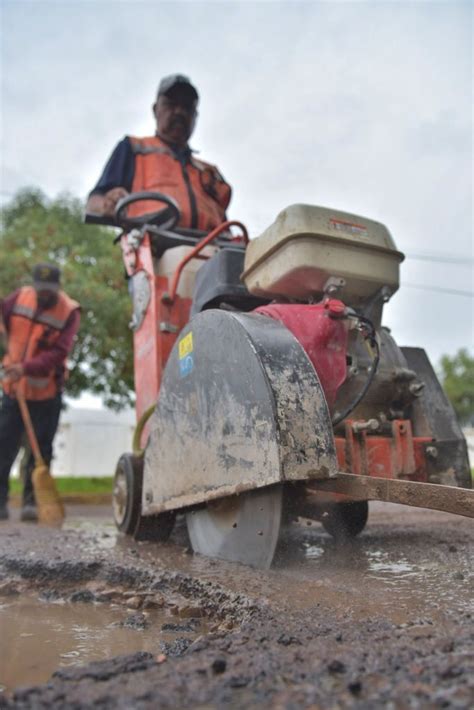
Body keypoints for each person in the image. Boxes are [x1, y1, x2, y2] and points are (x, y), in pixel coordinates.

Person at [86, 74, 232, 231]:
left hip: (214, 247)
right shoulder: (134, 148)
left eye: (187, 107)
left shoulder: (210, 173)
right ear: (156, 110)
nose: (179, 112)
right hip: (154, 245)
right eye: (171, 104)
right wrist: (107, 204)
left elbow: (223, 221)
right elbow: (94, 202)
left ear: (195, 116)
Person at [0, 264, 81, 522]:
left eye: (49, 291)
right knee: (4, 447)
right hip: (14, 392)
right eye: (41, 289)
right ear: (34, 285)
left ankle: (31, 503)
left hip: (47, 394)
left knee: (40, 452)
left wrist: (24, 368)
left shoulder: (69, 311)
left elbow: (58, 354)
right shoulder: (19, 298)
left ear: (58, 287)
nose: (44, 295)